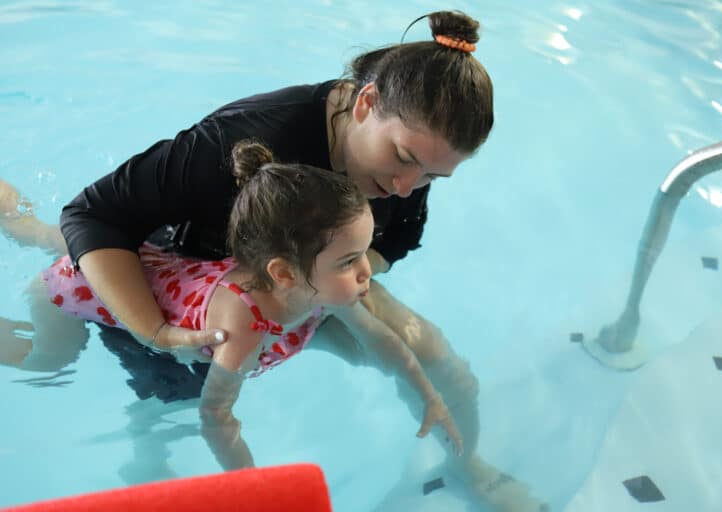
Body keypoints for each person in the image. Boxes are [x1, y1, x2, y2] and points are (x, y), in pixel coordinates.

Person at [56, 10, 547, 510]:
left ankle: (466, 463)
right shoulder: (238, 139)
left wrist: (329, 283)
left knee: (439, 360)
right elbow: (91, 215)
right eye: (403, 159)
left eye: (430, 179)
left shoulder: (412, 153)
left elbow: (400, 238)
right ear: (366, 103)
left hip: (306, 277)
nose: (405, 189)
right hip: (189, 277)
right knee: (173, 400)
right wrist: (154, 332)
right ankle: (146, 464)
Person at [0, 141, 463, 469]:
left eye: (363, 253)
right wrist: (251, 485)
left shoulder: (319, 284)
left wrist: (428, 394)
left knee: (42, 235)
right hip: (77, 288)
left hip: (148, 259)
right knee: (48, 361)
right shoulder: (243, 326)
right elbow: (216, 416)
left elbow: (381, 341)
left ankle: (9, 207)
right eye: (349, 260)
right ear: (283, 274)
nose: (368, 271)